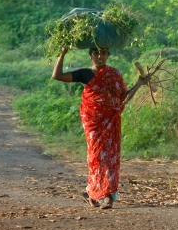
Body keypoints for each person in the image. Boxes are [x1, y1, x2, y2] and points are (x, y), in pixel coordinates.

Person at [52, 46, 129, 209]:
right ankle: (92, 191)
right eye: (96, 53)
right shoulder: (84, 73)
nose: (100, 56)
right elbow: (57, 76)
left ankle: (108, 197)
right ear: (90, 56)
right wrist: (62, 54)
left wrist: (140, 83)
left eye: (104, 53)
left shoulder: (114, 74)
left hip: (110, 120)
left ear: (108, 55)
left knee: (109, 158)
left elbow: (124, 97)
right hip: (92, 122)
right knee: (96, 157)